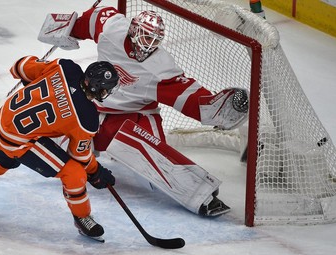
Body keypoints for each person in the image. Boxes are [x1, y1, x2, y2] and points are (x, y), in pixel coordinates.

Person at [39, 6, 249, 217]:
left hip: (136, 117)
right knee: (55, 141)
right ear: (132, 31)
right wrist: (69, 28)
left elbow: (189, 97)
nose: (148, 44)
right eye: (145, 37)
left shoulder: (160, 67)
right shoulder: (112, 29)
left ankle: (201, 195)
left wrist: (215, 108)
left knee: (154, 168)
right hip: (96, 110)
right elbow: (91, 20)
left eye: (154, 40)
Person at [0, 56, 119, 241]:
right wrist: (96, 172)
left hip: (3, 120)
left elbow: (20, 67)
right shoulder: (86, 117)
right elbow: (80, 156)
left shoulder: (65, 67)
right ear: (97, 87)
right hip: (18, 139)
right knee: (75, 173)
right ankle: (82, 217)